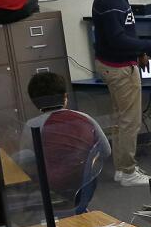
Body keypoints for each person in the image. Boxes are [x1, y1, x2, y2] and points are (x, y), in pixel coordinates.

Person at [91, 0, 151, 187]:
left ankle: (122, 169)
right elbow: (117, 40)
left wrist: (139, 53)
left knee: (122, 121)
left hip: (118, 64)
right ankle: (127, 172)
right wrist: (148, 46)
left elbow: (125, 31)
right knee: (129, 122)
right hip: (119, 69)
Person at [19, 72, 111, 211]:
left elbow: (24, 162)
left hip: (52, 191)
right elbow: (106, 151)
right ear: (65, 97)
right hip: (86, 188)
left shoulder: (32, 125)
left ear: (34, 103)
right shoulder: (85, 118)